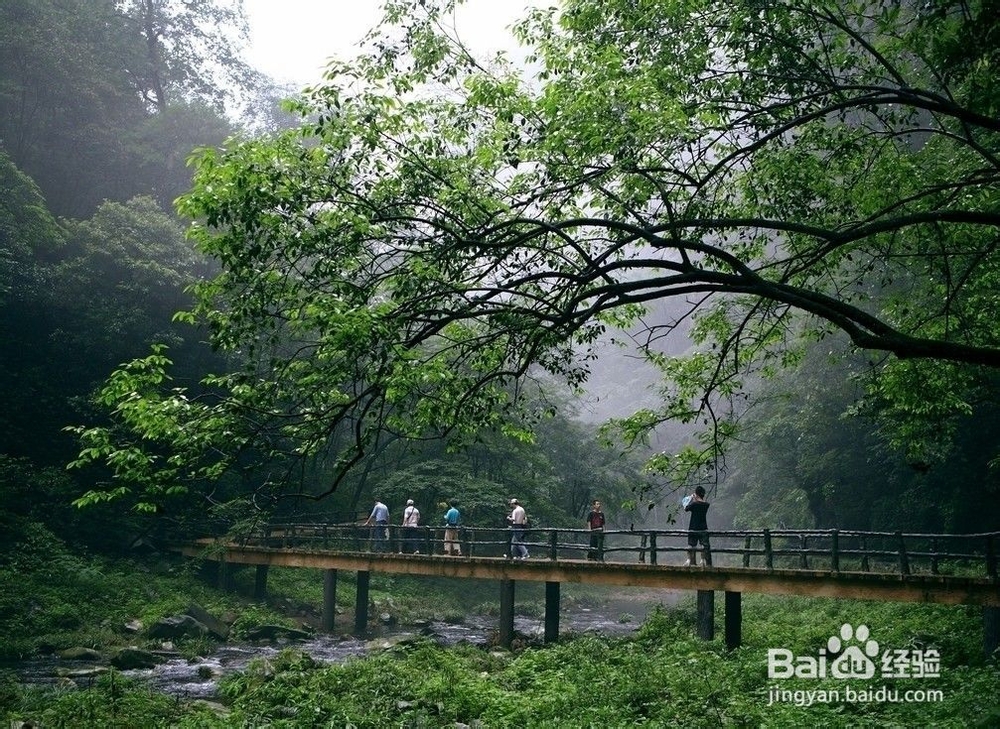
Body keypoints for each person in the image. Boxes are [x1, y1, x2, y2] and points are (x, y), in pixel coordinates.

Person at [684, 486, 711, 566]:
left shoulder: (694, 504)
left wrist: (691, 499)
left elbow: (686, 508)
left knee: (691, 545)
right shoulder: (706, 505)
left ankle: (689, 561)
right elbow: (701, 503)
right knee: (703, 545)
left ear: (696, 494)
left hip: (693, 527)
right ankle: (703, 560)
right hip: (703, 527)